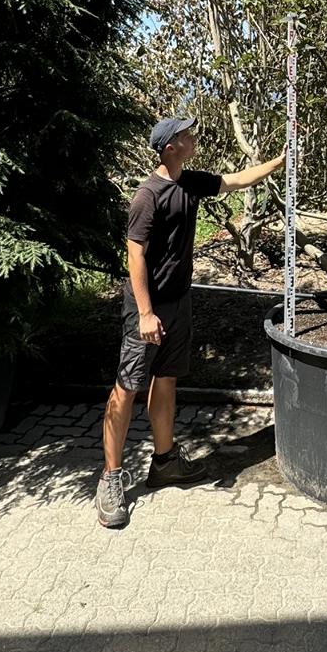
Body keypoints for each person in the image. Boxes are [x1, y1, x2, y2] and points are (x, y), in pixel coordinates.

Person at [95, 116, 284, 528]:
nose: (193, 137)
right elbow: (135, 256)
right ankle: (110, 479)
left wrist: (278, 162)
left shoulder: (189, 182)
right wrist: (145, 313)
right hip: (147, 307)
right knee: (127, 387)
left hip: (179, 303)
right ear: (170, 147)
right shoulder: (148, 196)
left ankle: (165, 463)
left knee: (165, 380)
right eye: (185, 135)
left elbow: (235, 181)